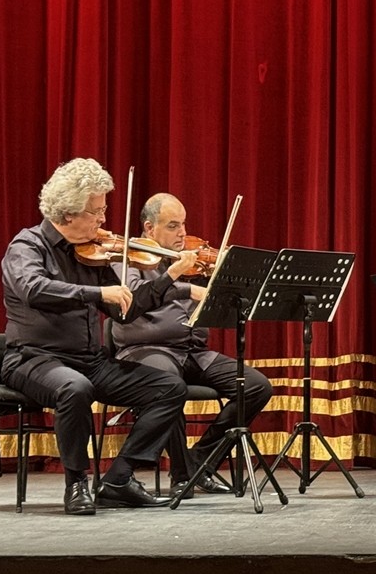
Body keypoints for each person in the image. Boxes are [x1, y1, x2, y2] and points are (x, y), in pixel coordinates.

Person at [0, 158, 194, 515]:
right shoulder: (27, 246)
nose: (104, 220)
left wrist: (169, 278)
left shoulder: (94, 252)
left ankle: (119, 478)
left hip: (89, 361)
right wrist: (97, 293)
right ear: (68, 213)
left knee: (169, 388)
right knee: (74, 388)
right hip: (34, 358)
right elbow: (34, 289)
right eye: (97, 211)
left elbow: (126, 310)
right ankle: (76, 483)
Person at [112, 193, 274, 498]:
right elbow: (132, 296)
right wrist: (180, 282)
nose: (182, 233)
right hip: (147, 350)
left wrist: (228, 276)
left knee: (256, 386)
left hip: (193, 352)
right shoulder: (127, 257)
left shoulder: (191, 258)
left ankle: (201, 462)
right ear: (149, 228)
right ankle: (182, 474)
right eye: (173, 226)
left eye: (183, 224)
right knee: (167, 384)